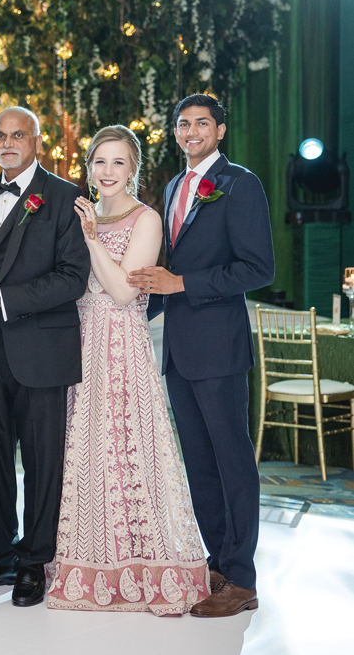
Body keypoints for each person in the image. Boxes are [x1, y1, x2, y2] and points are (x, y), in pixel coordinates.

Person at [48, 126, 210, 615]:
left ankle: (140, 561)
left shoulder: (147, 219)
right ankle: (88, 557)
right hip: (76, 341)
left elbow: (122, 293)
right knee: (84, 449)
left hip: (119, 345)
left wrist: (92, 239)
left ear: (133, 169)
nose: (108, 171)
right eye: (100, 161)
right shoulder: (79, 212)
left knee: (125, 447)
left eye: (118, 162)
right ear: (89, 167)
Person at [129, 95, 275, 617]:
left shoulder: (240, 184)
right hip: (179, 351)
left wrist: (182, 283)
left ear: (220, 130)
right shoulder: (174, 187)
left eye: (202, 123)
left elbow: (258, 268)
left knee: (233, 463)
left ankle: (243, 579)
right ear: (175, 132)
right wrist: (126, 313)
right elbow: (167, 270)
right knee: (199, 464)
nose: (191, 131)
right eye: (183, 124)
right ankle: (218, 563)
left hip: (220, 348)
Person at [0, 106, 90, 607]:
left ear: (37, 141)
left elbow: (72, 278)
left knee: (41, 461)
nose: (7, 143)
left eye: (18, 135)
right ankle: (1, 553)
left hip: (42, 350)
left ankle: (35, 561)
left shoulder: (66, 196)